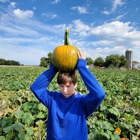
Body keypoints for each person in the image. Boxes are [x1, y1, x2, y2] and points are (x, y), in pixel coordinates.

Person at [30, 51, 105, 140]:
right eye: (61, 86)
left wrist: (82, 68)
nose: (65, 90)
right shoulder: (52, 99)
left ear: (76, 84)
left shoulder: (82, 102)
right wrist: (53, 69)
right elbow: (35, 88)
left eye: (68, 86)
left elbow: (99, 94)